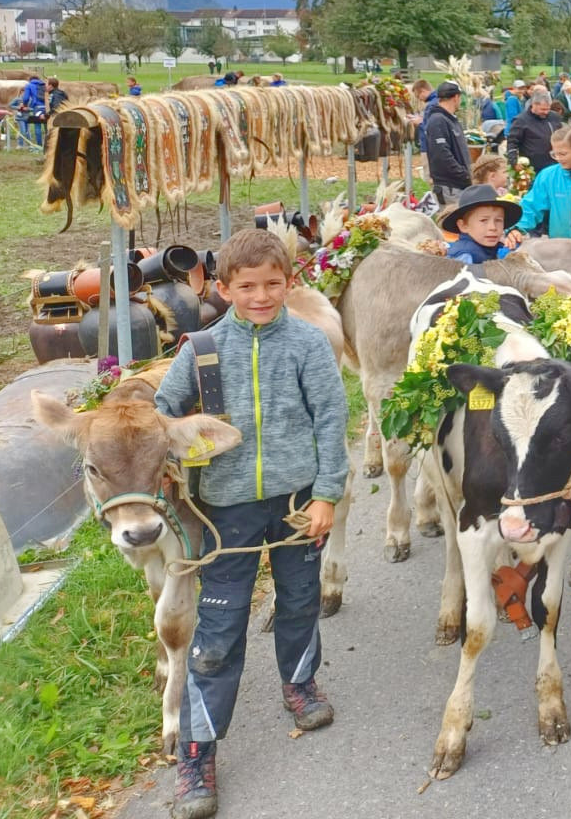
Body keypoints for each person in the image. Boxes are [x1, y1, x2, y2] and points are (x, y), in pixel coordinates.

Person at [154, 229, 349, 819]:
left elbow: (330, 421)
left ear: (290, 283)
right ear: (224, 288)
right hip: (227, 511)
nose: (261, 296)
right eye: (247, 287)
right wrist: (177, 457)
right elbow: (162, 414)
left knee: (298, 600)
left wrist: (327, 495)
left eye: (272, 284)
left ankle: (300, 682)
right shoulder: (202, 348)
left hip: (295, 502)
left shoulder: (310, 345)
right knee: (218, 631)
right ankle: (198, 753)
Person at [442, 183, 522, 264]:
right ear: (463, 226)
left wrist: (515, 246)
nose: (493, 227)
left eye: (498, 220)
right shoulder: (464, 256)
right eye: (484, 220)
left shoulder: (496, 247)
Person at [423, 82, 472, 206]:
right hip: (449, 187)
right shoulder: (438, 120)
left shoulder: (450, 120)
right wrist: (462, 173)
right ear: (456, 97)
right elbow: (441, 154)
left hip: (458, 185)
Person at [505, 88, 562, 174]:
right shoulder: (521, 121)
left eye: (548, 109)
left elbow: (562, 135)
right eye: (543, 109)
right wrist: (514, 161)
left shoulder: (554, 117)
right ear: (533, 105)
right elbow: (512, 142)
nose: (546, 112)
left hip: (554, 164)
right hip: (533, 168)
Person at [17, 74, 46, 149]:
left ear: (30, 80)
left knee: (37, 126)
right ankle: (48, 145)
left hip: (37, 107)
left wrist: (25, 105)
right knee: (47, 127)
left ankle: (39, 146)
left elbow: (26, 98)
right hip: (47, 107)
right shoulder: (44, 84)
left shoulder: (29, 85)